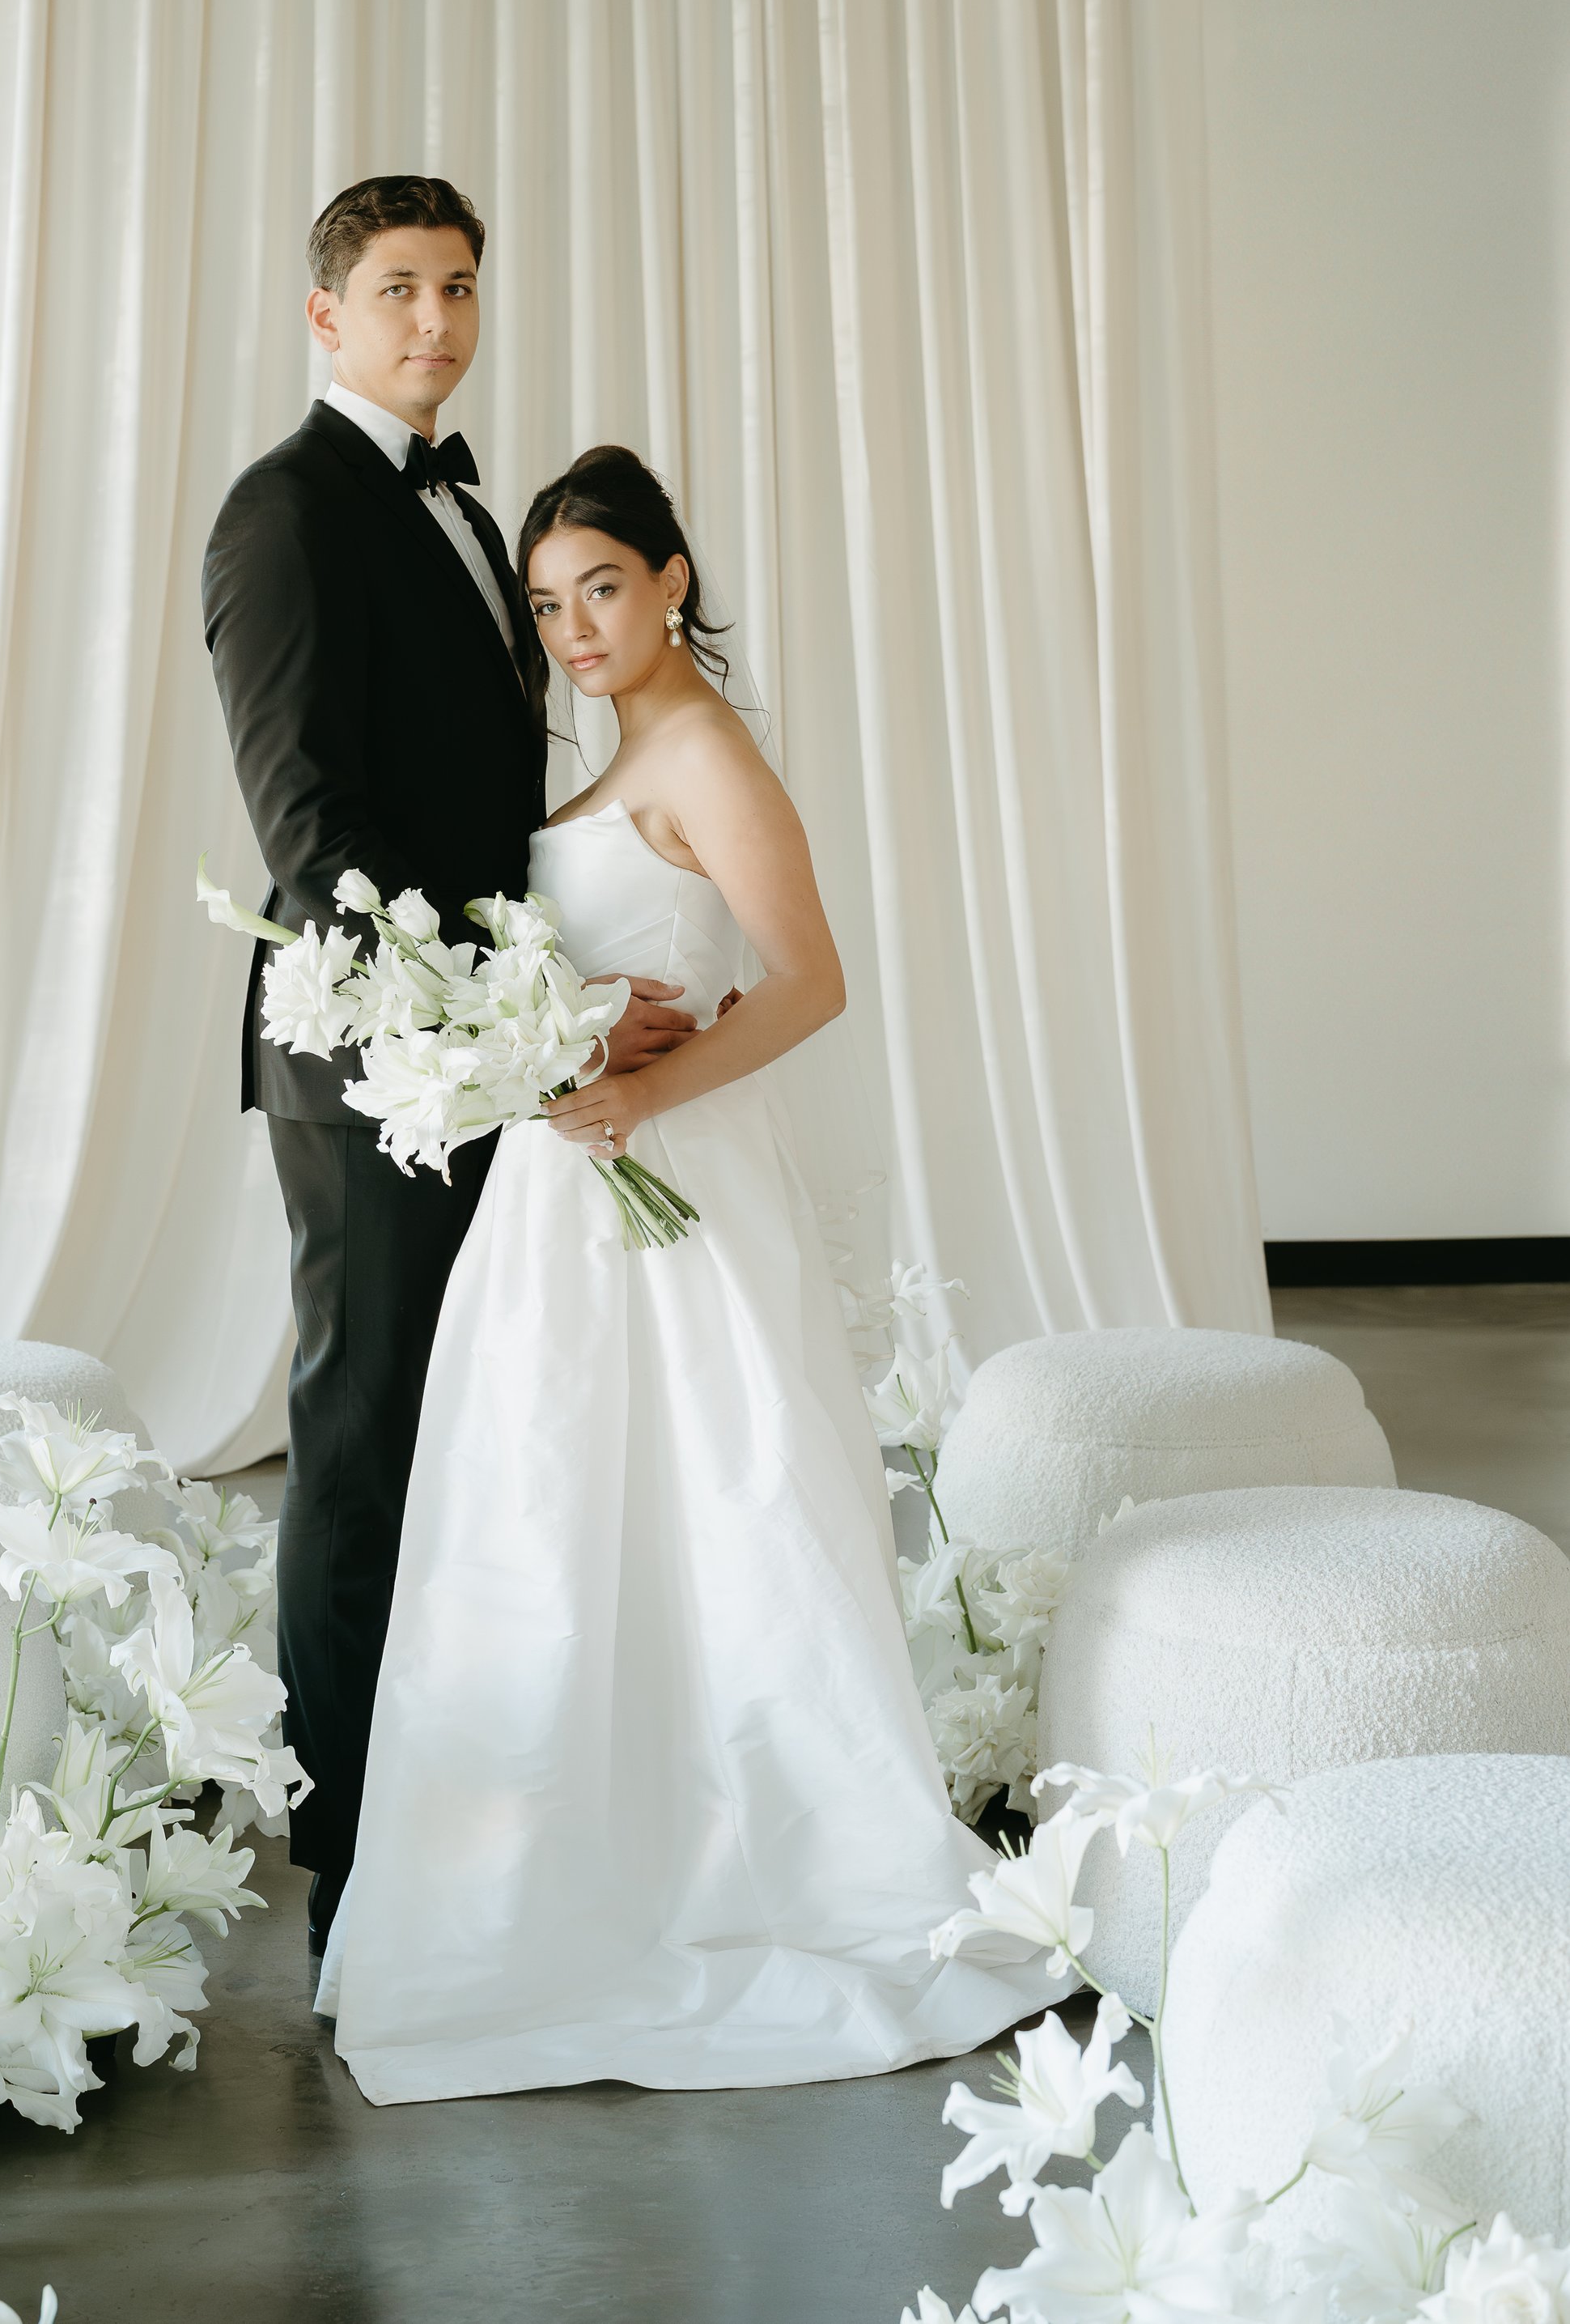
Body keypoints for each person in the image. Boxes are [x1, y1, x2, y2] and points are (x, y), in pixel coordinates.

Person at [314, 445, 1069, 2101]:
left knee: (718, 1505)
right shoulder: (611, 752)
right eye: (545, 601)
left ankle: (750, 1862)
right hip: (565, 1194)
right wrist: (541, 1043)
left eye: (600, 584)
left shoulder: (707, 749)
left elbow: (805, 981)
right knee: (553, 1514)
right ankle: (537, 1863)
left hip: (671, 1173)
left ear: (667, 575)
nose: (574, 624)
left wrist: (643, 1089)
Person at [202, 181, 703, 1955]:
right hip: (376, 1060)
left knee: (478, 1423)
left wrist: (557, 999)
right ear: (325, 314)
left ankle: (464, 1797)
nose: (436, 318)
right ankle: (346, 1856)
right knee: (361, 1430)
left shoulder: (468, 501)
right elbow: (309, 823)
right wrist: (474, 1019)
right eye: (399, 288)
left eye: (460, 286)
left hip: (498, 1042)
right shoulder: (284, 511)